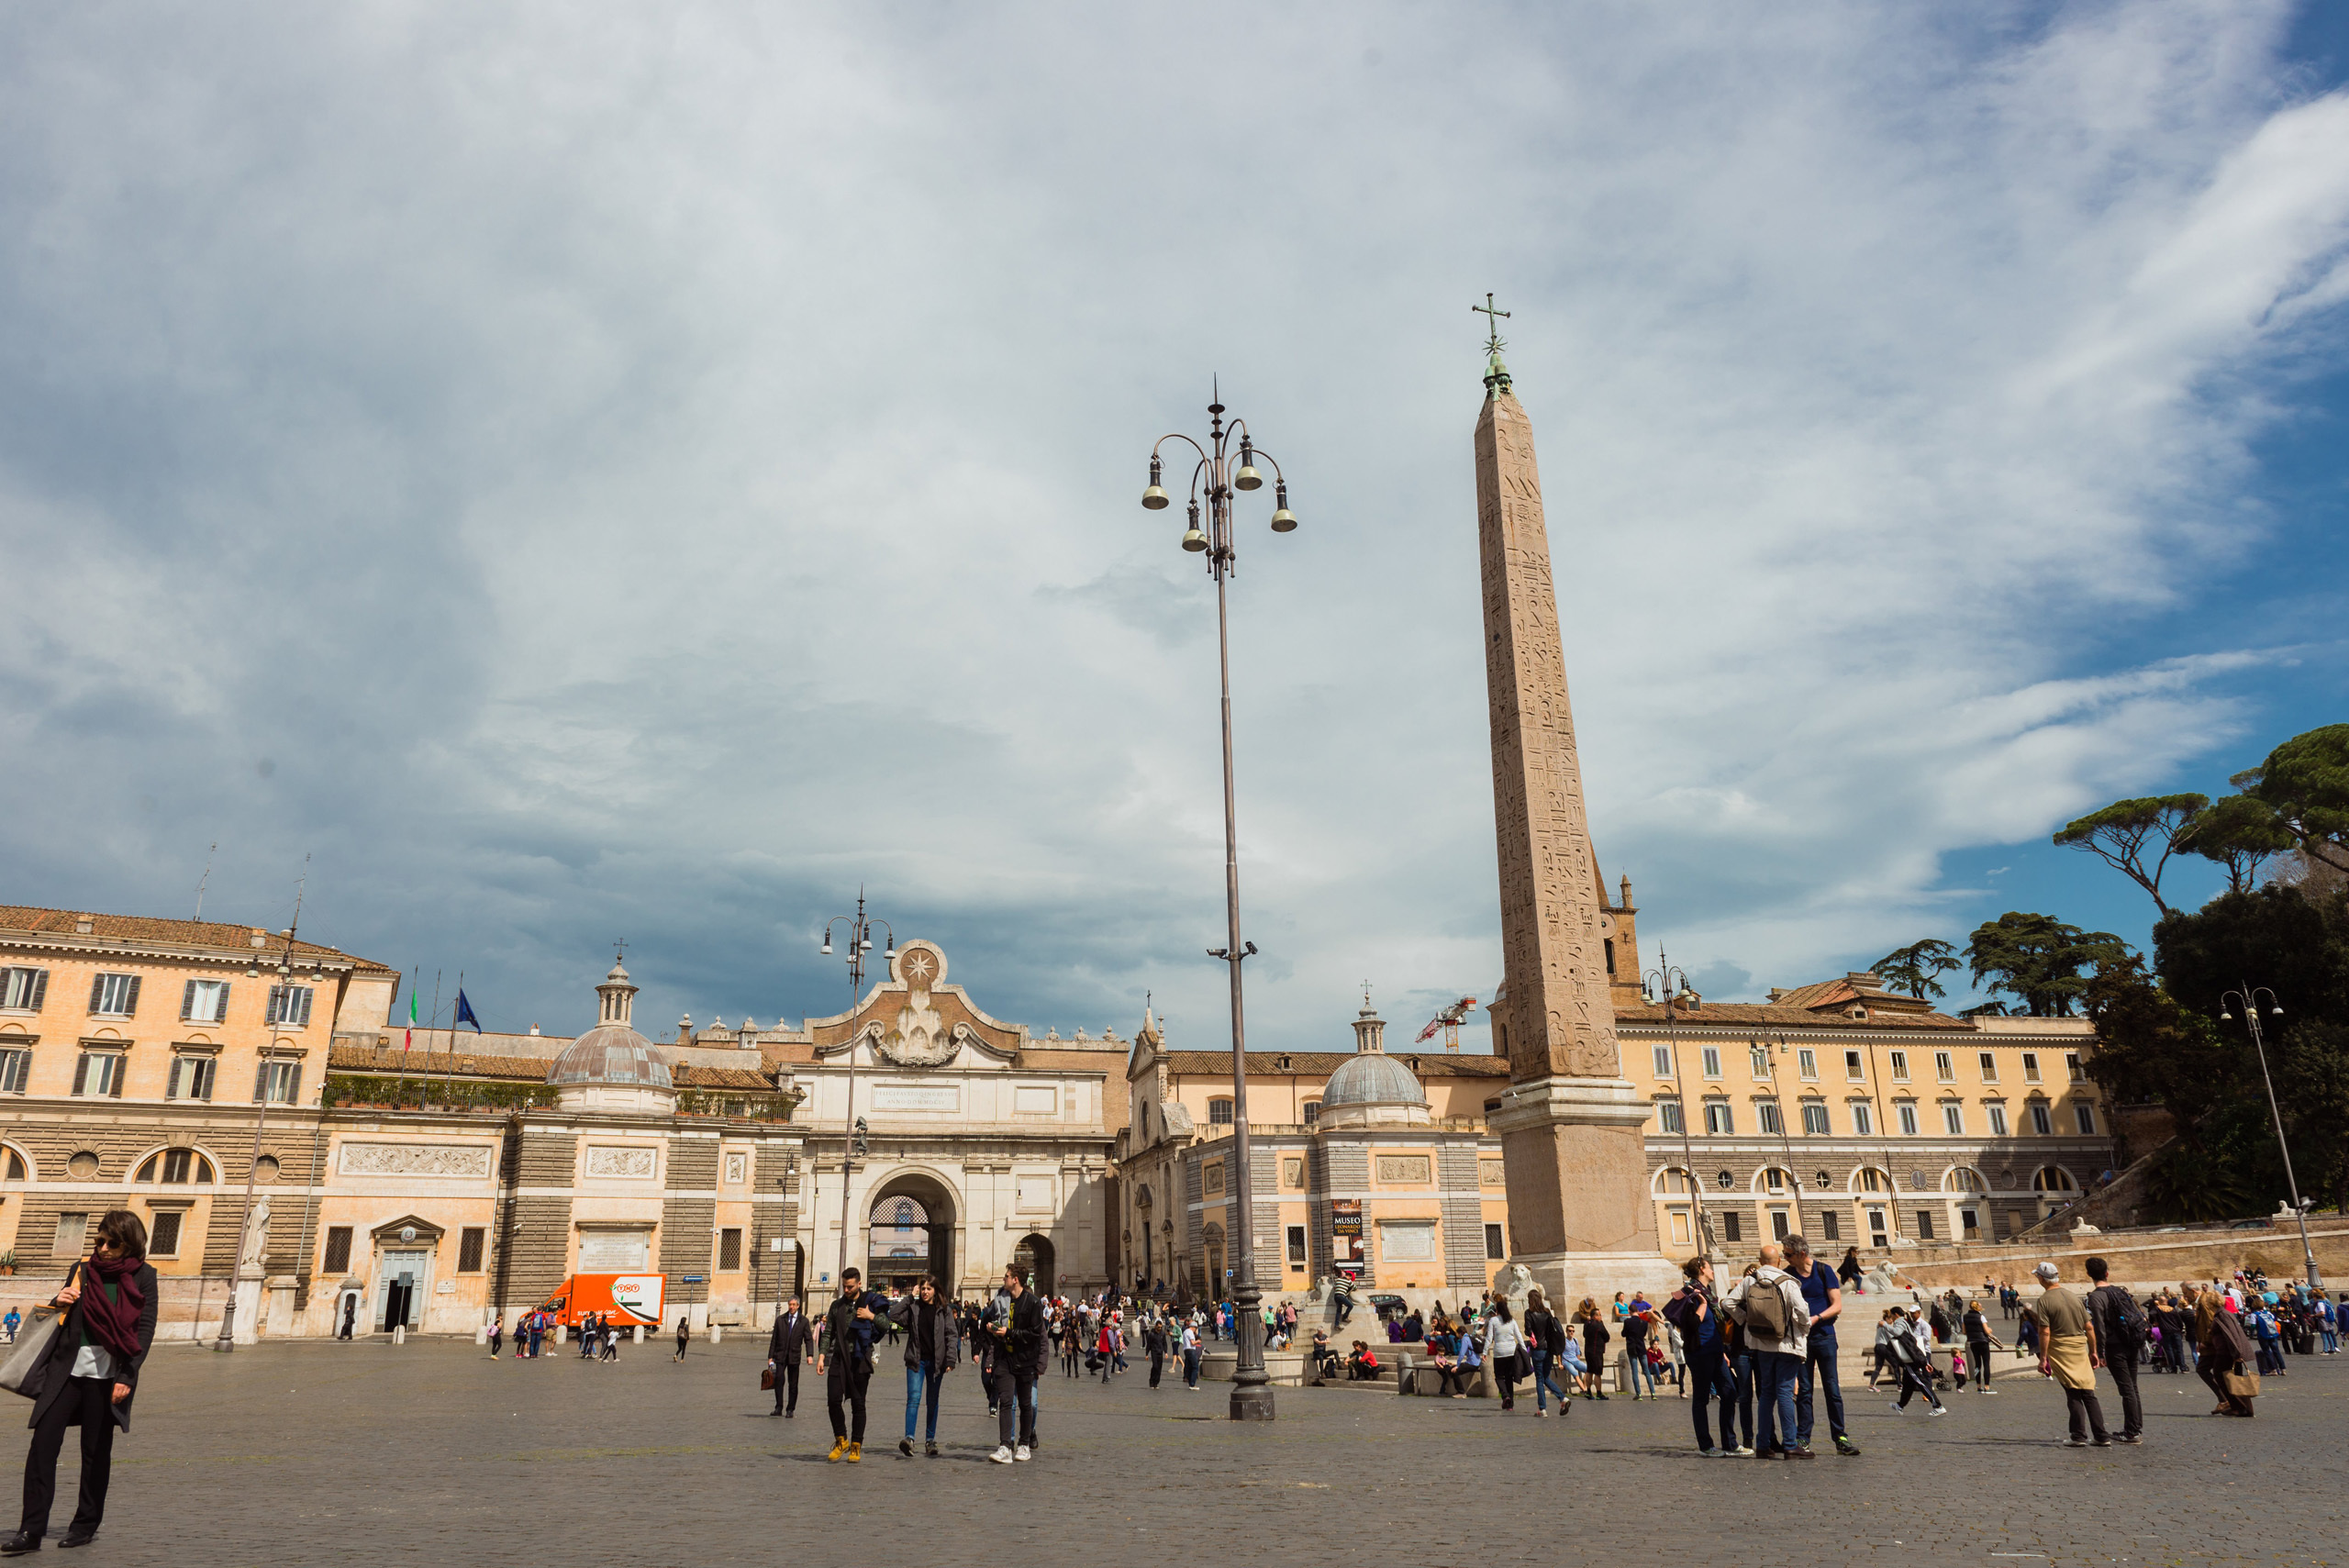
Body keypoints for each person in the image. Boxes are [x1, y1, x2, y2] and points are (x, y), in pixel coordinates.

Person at [3, 1209, 158, 1556]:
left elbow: (144, 1329)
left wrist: (128, 1376)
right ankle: (30, 1530)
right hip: (65, 1373)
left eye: (111, 1243)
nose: (102, 1249)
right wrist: (60, 1300)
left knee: (95, 1452)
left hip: (107, 1379)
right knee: (42, 1448)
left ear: (129, 1244)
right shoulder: (82, 1270)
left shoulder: (145, 1276)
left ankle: (84, 1525)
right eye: (99, 1241)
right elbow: (63, 1313)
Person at [1723, 1242, 1811, 1460]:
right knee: (1784, 1392)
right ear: (1779, 1261)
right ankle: (1790, 1444)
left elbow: (1728, 1303)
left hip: (1761, 1344)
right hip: (1786, 1344)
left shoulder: (1750, 1280)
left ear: (1761, 1262)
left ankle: (1762, 1444)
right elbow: (1801, 1310)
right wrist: (1804, 1327)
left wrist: (1745, 1320)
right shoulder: (1788, 1282)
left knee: (1766, 1394)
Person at [1784, 1236, 1858, 1456]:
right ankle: (1803, 1438)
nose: (1785, 1258)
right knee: (1804, 1390)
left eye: (1788, 1254)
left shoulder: (1824, 1271)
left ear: (1802, 1254)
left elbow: (1837, 1306)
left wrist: (1816, 1318)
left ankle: (1840, 1437)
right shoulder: (1788, 1275)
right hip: (1801, 1340)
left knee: (1832, 1389)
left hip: (1824, 1336)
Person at [2032, 1260, 2110, 1447]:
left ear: (2042, 1279)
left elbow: (2045, 1331)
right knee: (2088, 1391)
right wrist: (2093, 1351)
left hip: (2061, 1348)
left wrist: (2043, 1358)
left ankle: (2078, 1436)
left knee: (2073, 1391)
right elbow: (2089, 1327)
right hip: (2079, 1346)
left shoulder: (2044, 1300)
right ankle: (2101, 1436)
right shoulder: (2073, 1296)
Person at [816, 1270, 886, 1462]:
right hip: (838, 1358)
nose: (846, 1290)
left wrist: (871, 1316)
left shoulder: (869, 1303)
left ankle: (856, 1446)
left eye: (850, 1287)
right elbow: (828, 1332)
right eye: (844, 1286)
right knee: (833, 1400)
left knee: (858, 1404)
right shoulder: (836, 1306)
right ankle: (841, 1440)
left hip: (859, 1358)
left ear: (859, 1284)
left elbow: (885, 1324)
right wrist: (822, 1356)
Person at [1666, 1255, 1731, 1456]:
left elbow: (1714, 1324)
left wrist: (1721, 1349)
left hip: (1714, 1350)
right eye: (1709, 1267)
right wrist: (1702, 1305)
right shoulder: (1691, 1293)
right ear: (1702, 1269)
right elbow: (1691, 1325)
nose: (1712, 1271)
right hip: (1699, 1351)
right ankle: (1706, 1445)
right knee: (1701, 1398)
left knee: (1730, 1392)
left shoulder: (1707, 1292)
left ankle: (1730, 1442)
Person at [890, 1274, 956, 1458]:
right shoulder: (913, 1307)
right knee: (913, 1399)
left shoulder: (944, 1310)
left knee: (932, 1401)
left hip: (936, 1362)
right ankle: (909, 1438)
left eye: (929, 1288)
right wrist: (910, 1297)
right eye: (923, 1288)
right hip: (916, 1360)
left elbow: (951, 1334)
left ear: (935, 1290)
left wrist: (950, 1359)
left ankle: (930, 1440)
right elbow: (893, 1315)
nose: (925, 1292)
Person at [2082, 1258, 2145, 1443]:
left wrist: (2099, 1352)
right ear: (2107, 1273)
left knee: (2126, 1389)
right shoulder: (2120, 1291)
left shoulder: (2095, 1297)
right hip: (2132, 1342)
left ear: (2089, 1274)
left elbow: (2099, 1327)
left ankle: (2132, 1432)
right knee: (2133, 1388)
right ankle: (2135, 1428)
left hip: (2115, 1346)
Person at [986, 1264, 1044, 1462]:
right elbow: (992, 1318)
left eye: (1006, 1276)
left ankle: (1024, 1444)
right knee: (1006, 1402)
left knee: (1026, 1404)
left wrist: (1009, 1333)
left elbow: (1035, 1334)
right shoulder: (1001, 1299)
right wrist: (992, 1327)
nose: (1004, 1279)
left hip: (1026, 1359)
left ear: (1016, 1279)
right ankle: (1005, 1446)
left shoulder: (1033, 1303)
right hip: (1004, 1358)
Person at [1880, 1307, 1947, 1416]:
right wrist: (1925, 1362)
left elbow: (1897, 1333)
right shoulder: (1907, 1322)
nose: (1891, 1318)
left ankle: (1938, 1405)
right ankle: (1900, 1405)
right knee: (1907, 1384)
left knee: (1921, 1382)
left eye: (1892, 1315)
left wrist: (1885, 1325)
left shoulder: (1900, 1322)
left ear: (1896, 1315)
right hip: (1912, 1357)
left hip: (1910, 1359)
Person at [1524, 1288, 1571, 1418]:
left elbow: (1528, 1330)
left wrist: (1532, 1336)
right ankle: (1562, 1399)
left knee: (1540, 1379)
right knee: (1546, 1378)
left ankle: (1543, 1409)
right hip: (1549, 1349)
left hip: (1537, 1350)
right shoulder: (1547, 1312)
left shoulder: (1529, 1313)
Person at [768, 1296, 812, 1418]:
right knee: (779, 1381)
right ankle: (778, 1407)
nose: (791, 1307)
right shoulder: (781, 1319)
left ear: (798, 1306)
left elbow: (808, 1339)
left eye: (794, 1305)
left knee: (793, 1384)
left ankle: (790, 1409)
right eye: (790, 1305)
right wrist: (770, 1357)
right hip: (781, 1355)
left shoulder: (803, 1321)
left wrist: (810, 1355)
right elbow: (774, 1339)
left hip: (794, 1356)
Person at [1482, 1300, 1524, 1410]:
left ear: (1497, 1310)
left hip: (1499, 1353)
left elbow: (1489, 1337)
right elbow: (1518, 1336)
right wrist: (1524, 1350)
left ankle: (1505, 1396)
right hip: (1511, 1352)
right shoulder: (1512, 1321)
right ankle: (1511, 1405)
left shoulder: (1493, 1320)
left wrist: (1484, 1352)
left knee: (1499, 1377)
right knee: (1509, 1378)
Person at [1574, 1298, 1611, 1399]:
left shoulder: (1587, 1324)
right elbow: (1607, 1336)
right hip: (1597, 1351)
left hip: (1588, 1351)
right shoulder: (1599, 1325)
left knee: (1589, 1371)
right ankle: (1599, 1393)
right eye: (1599, 1315)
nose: (1601, 1316)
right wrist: (1601, 1323)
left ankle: (1589, 1392)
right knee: (1598, 1373)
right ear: (1595, 1316)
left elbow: (1585, 1335)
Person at [1962, 1297, 2000, 1392]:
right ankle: (1987, 1386)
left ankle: (1978, 1385)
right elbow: (1987, 1331)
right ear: (1977, 1307)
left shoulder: (1964, 1317)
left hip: (1973, 1342)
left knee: (1977, 1364)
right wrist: (1990, 1329)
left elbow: (1964, 1331)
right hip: (1983, 1342)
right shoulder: (1981, 1317)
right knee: (1986, 1364)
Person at [1179, 1316, 1202, 1390]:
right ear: (1194, 1327)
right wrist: (1198, 1341)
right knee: (1195, 1366)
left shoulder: (1185, 1331)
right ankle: (1192, 1384)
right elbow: (1192, 1343)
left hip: (1186, 1350)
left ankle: (1189, 1381)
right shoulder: (1191, 1332)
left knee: (1188, 1366)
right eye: (1196, 1328)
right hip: (1191, 1350)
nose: (1196, 1330)